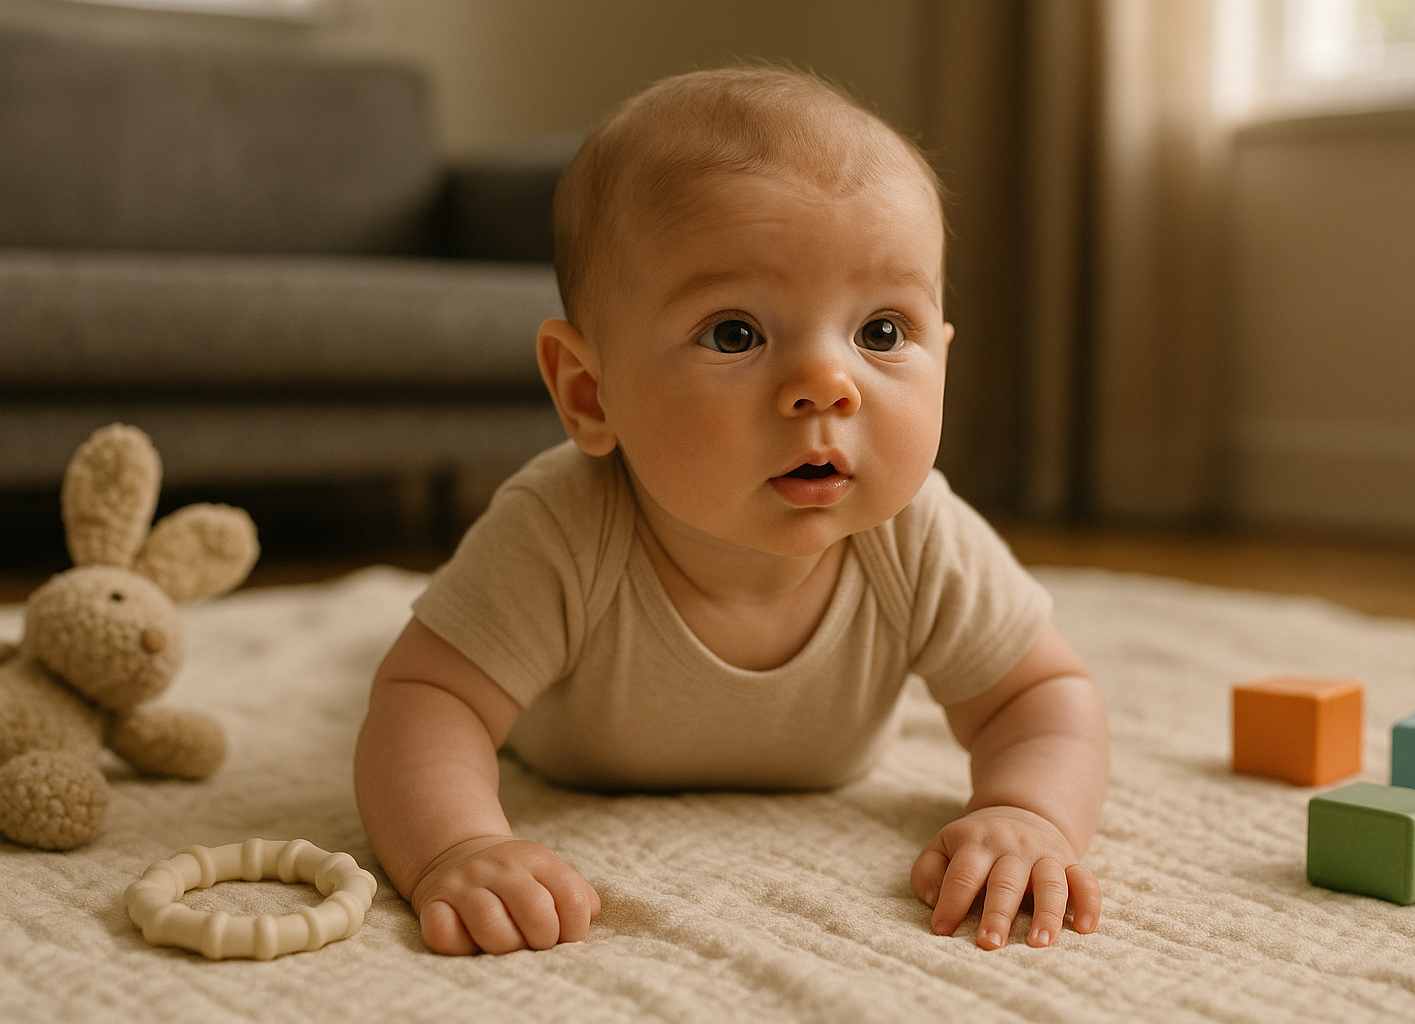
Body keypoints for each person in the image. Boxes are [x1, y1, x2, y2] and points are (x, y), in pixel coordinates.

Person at [354, 65, 1109, 958]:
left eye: (881, 333)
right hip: (560, 748)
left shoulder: (919, 539)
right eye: (735, 333)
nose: (828, 384)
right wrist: (460, 845)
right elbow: (425, 702)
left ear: (942, 356)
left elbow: (1044, 697)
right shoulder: (561, 528)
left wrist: (1027, 812)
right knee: (401, 655)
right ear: (590, 393)